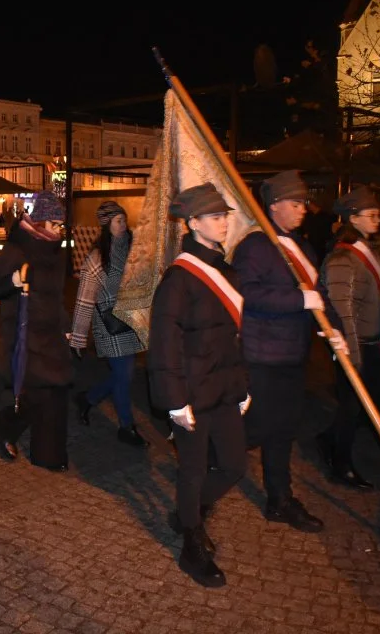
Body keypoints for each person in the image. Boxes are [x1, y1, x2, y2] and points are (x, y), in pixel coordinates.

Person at [147, 183, 248, 588]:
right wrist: (174, 403)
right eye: (214, 216)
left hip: (225, 389)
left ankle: (189, 512)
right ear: (192, 223)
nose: (224, 222)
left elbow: (234, 337)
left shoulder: (227, 271)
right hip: (190, 393)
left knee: (235, 465)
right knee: (191, 470)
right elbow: (164, 345)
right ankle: (192, 544)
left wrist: (243, 386)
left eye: (225, 215)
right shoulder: (179, 279)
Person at [232, 170, 343, 533]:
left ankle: (279, 500)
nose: (303, 211)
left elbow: (319, 295)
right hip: (262, 354)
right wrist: (299, 299)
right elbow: (247, 294)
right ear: (275, 205)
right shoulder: (255, 246)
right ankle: (204, 471)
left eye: (303, 204)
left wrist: (334, 332)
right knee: (258, 428)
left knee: (284, 429)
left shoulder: (303, 247)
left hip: (294, 355)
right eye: (295, 204)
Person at [0, 190, 72, 471]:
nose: (59, 230)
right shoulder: (17, 249)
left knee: (55, 392)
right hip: (25, 333)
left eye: (61, 225)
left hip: (51, 333)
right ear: (40, 222)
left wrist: (66, 327)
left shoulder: (55, 253)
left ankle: (49, 453)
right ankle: (15, 432)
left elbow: (57, 296)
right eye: (55, 224)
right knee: (40, 393)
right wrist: (11, 280)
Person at [317, 186, 380, 491]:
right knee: (353, 405)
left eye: (379, 214)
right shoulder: (342, 258)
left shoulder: (367, 249)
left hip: (370, 339)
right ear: (353, 218)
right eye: (371, 214)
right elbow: (341, 311)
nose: (378, 219)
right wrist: (352, 357)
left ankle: (328, 438)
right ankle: (341, 463)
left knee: (375, 399)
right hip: (353, 343)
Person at [69, 201, 148, 448]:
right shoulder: (96, 258)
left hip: (130, 321)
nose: (123, 225)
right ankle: (126, 427)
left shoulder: (134, 251)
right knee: (123, 376)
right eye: (118, 221)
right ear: (106, 225)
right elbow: (84, 299)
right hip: (108, 324)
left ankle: (88, 399)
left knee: (125, 375)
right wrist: (78, 337)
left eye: (124, 220)